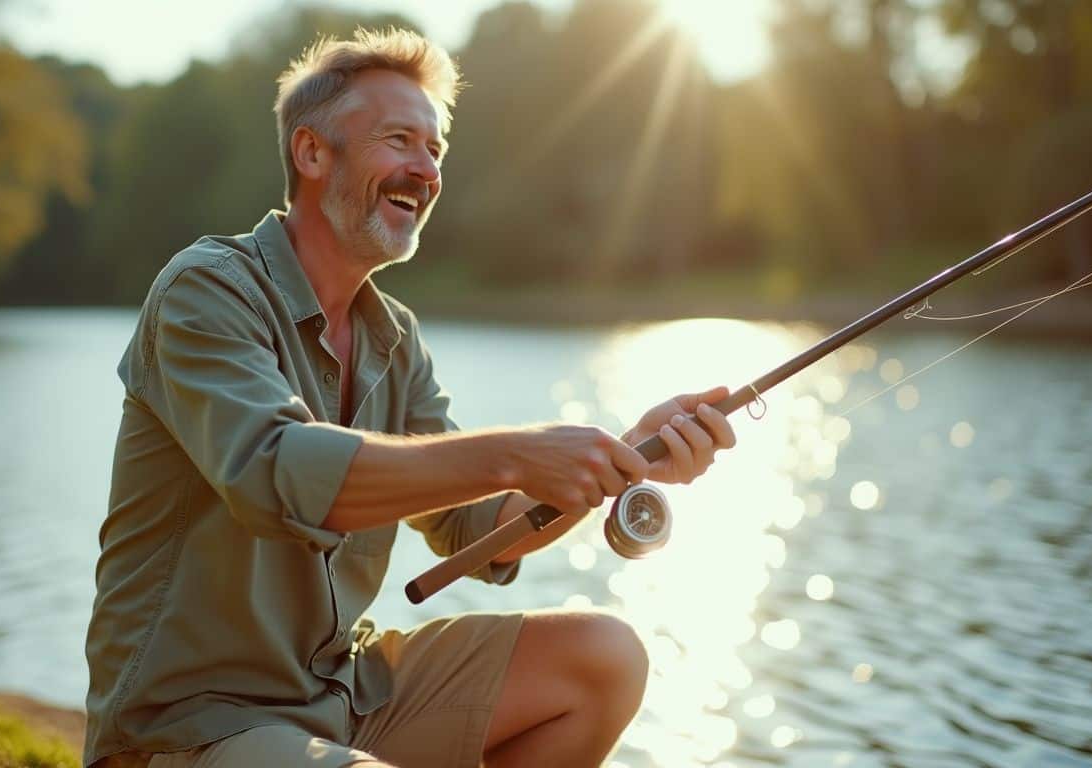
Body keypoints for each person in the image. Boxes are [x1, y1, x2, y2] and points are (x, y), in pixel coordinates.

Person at [83, 28, 736, 768]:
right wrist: (517, 452)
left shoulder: (395, 337)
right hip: (188, 729)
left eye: (435, 152)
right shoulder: (207, 290)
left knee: (605, 657)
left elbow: (478, 528)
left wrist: (626, 456)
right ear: (312, 153)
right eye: (400, 140)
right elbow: (278, 473)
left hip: (342, 698)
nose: (425, 171)